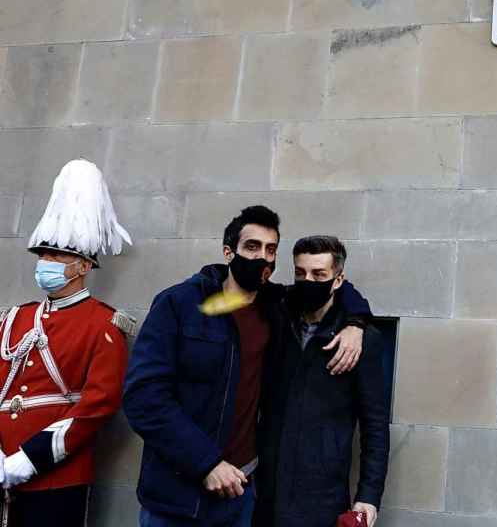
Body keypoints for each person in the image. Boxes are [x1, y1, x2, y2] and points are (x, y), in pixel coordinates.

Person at [123, 207, 372, 526]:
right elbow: (143, 399)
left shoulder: (276, 306)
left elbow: (333, 286)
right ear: (229, 252)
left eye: (271, 250)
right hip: (178, 498)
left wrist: (356, 323)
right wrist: (206, 464)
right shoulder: (178, 303)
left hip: (241, 495)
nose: (262, 258)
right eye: (252, 247)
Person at [0, 159, 135, 526]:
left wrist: (29, 458)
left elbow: (97, 406)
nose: (46, 261)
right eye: (43, 254)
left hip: (57, 479)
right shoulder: (14, 319)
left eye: (58, 255)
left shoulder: (104, 325)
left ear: (83, 266)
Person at [257, 236, 390, 527]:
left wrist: (368, 495)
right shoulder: (276, 318)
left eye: (319, 275)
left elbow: (375, 425)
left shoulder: (362, 342)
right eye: (300, 273)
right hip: (263, 491)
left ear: (338, 279)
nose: (308, 281)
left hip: (320, 499)